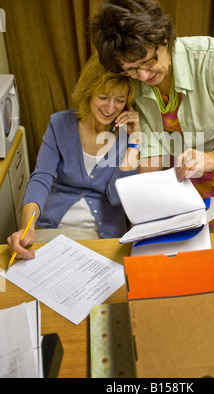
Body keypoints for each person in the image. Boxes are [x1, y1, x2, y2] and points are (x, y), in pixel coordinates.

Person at [90, 0, 214, 230]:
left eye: (148, 61)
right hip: (183, 161)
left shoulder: (211, 57)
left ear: (163, 39)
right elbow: (153, 143)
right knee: (181, 226)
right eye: (130, 69)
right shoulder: (135, 80)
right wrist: (145, 200)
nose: (142, 75)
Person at [7, 53, 141, 259]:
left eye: (120, 101)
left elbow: (117, 198)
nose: (110, 108)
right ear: (89, 93)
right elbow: (41, 179)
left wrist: (134, 144)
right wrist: (27, 228)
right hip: (51, 229)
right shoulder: (59, 124)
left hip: (102, 237)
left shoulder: (126, 136)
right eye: (103, 97)